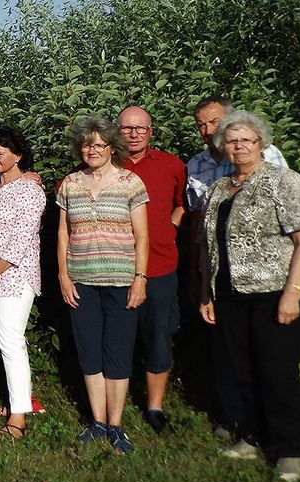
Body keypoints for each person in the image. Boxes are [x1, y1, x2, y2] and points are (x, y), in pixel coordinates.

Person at [198, 110, 300, 482]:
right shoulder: (220, 188)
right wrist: (206, 291)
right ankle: (253, 436)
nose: (239, 146)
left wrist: (292, 293)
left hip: (277, 291)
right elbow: (207, 246)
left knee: (276, 372)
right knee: (243, 371)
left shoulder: (283, 181)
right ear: (223, 146)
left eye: (247, 140)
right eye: (231, 140)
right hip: (231, 293)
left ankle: (290, 449)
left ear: (261, 144)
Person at [186, 95, 288, 439]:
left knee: (267, 355)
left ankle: (276, 430)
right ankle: (236, 420)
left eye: (214, 121)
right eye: (201, 123)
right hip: (220, 270)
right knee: (228, 352)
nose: (207, 130)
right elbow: (198, 221)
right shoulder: (199, 167)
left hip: (266, 273)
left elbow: (290, 216)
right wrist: (199, 278)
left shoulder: (267, 159)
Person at [57, 116, 149, 454]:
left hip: (122, 280)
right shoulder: (70, 183)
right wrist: (64, 275)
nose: (91, 150)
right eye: (86, 144)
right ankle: (97, 423)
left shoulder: (130, 183)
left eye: (98, 144)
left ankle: (116, 425)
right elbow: (63, 232)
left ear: (112, 148)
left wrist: (140, 279)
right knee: (89, 354)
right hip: (81, 280)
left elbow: (142, 237)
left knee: (118, 353)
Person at [0, 128, 46, 440]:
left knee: (11, 341)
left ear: (19, 156)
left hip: (15, 276)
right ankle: (18, 402)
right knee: (6, 342)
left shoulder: (30, 192)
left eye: (1, 153)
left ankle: (18, 419)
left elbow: (20, 241)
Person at [117, 106, 186, 434]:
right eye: (127, 128)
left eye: (140, 128)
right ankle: (113, 401)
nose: (133, 133)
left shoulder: (171, 165)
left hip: (159, 266)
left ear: (151, 132)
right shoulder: (105, 162)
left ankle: (155, 407)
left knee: (159, 336)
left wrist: (171, 226)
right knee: (118, 338)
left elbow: (183, 203)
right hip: (115, 268)